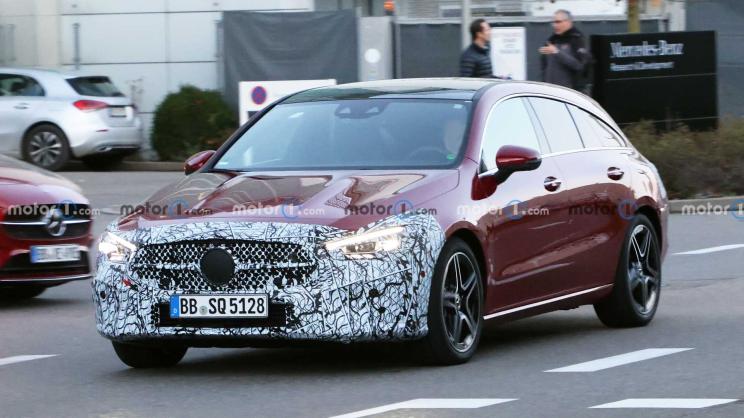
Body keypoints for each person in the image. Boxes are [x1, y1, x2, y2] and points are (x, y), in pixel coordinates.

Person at [539, 10, 591, 91]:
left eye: (558, 22)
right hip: (551, 90)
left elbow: (579, 65)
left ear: (568, 22)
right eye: (553, 22)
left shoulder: (577, 39)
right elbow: (545, 67)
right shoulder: (552, 40)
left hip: (570, 91)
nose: (554, 25)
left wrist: (557, 52)